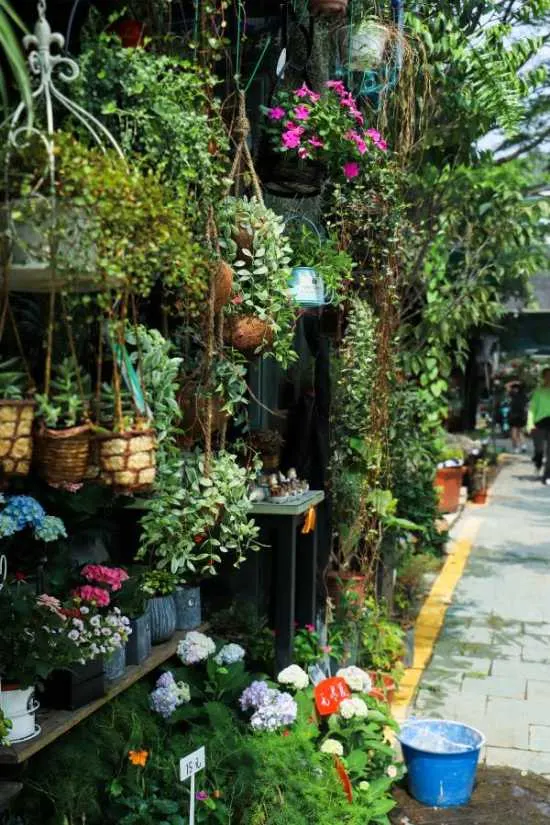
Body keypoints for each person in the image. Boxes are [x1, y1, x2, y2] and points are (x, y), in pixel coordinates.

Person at [527, 368, 550, 485]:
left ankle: (547, 476)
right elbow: (532, 409)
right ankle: (538, 464)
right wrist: (530, 424)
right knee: (539, 450)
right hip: (540, 423)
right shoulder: (538, 392)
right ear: (544, 377)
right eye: (547, 376)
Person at [507, 381, 527, 453]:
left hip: (514, 416)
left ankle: (516, 448)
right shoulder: (524, 395)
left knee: (514, 433)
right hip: (522, 416)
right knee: (520, 432)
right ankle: (524, 445)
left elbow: (507, 385)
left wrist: (514, 382)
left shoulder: (513, 394)